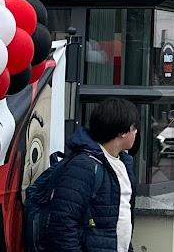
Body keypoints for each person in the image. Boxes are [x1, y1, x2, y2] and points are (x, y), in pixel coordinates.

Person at [44, 98, 138, 252]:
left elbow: (122, 218)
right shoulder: (84, 166)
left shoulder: (124, 163)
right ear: (122, 132)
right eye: (134, 128)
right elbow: (62, 223)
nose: (136, 132)